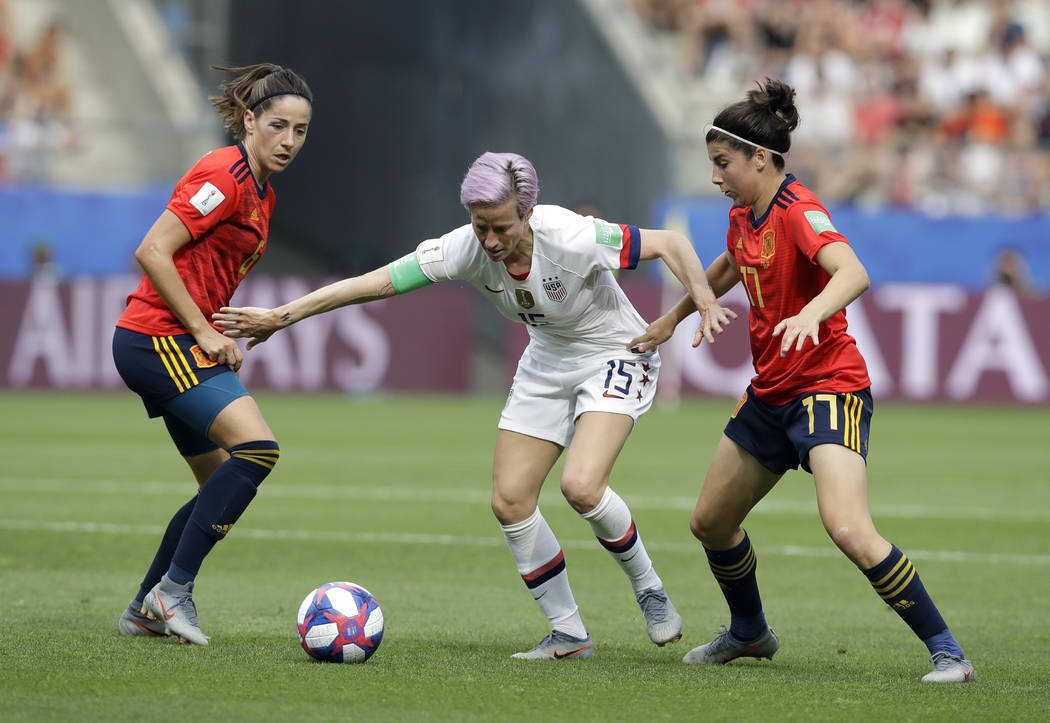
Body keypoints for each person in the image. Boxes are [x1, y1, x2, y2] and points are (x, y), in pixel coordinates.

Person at [213, 151, 736, 659]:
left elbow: (671, 243)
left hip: (616, 350)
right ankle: (568, 634)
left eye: (501, 227)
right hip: (547, 359)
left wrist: (699, 307)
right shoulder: (463, 247)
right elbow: (372, 284)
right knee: (510, 501)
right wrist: (282, 316)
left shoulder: (571, 234)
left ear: (527, 213)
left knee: (580, 486)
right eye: (479, 225)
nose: (489, 240)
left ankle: (649, 589)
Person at [629, 78, 976, 683]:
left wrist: (813, 312)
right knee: (709, 521)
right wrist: (673, 317)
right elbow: (730, 265)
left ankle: (949, 652)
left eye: (723, 163)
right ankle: (749, 633)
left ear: (759, 158)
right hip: (772, 391)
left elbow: (853, 271)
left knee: (847, 528)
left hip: (829, 387)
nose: (716, 176)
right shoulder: (744, 213)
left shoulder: (799, 210)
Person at [112, 63, 312, 645]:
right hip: (157, 338)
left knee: (219, 480)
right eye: (278, 126)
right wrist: (203, 331)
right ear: (249, 121)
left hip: (171, 340)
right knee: (259, 451)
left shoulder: (261, 192)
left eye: (300, 132)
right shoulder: (221, 174)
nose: (289, 141)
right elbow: (153, 250)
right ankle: (173, 592)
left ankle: (145, 609)